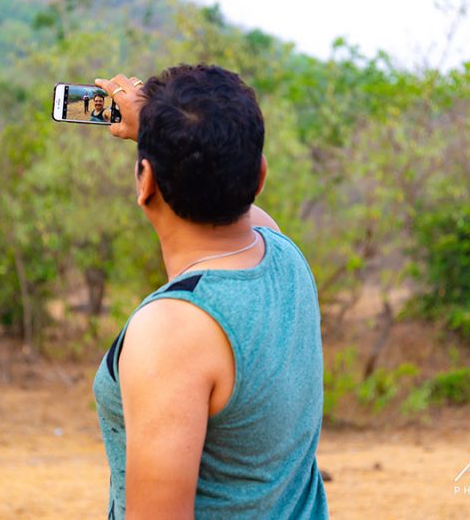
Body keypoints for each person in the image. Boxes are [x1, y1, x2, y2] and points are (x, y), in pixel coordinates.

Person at [93, 65, 328, 520]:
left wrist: (158, 139)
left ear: (144, 183)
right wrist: (162, 130)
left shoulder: (174, 330)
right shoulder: (281, 255)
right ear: (259, 177)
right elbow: (234, 197)